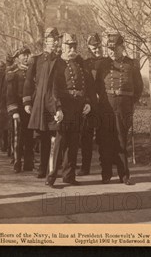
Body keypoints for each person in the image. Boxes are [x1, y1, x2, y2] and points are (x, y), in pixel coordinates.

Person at [46, 33, 95, 187]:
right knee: (58, 143)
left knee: (73, 144)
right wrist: (57, 108)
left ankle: (69, 175)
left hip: (77, 108)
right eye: (69, 46)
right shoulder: (57, 64)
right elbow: (52, 89)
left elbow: (85, 86)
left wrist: (87, 102)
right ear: (62, 47)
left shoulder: (80, 64)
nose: (72, 49)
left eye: (74, 46)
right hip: (63, 108)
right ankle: (51, 176)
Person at [95, 30, 143, 185]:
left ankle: (124, 175)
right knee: (105, 141)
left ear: (122, 47)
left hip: (123, 108)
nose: (112, 52)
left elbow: (139, 87)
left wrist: (130, 103)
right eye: (109, 49)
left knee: (122, 142)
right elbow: (97, 86)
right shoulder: (102, 64)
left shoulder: (131, 64)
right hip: (106, 107)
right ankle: (106, 174)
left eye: (115, 49)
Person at [23, 27, 61, 177]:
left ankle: (53, 169)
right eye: (52, 40)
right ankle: (42, 167)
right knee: (43, 136)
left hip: (55, 102)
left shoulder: (60, 60)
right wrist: (27, 102)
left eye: (57, 40)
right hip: (40, 102)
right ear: (46, 41)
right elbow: (28, 82)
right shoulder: (36, 59)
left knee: (55, 136)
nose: (55, 43)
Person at [78, 33, 106, 176]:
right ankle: (85, 167)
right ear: (89, 47)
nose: (96, 49)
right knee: (86, 137)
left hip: (104, 104)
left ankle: (105, 166)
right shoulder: (85, 63)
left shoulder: (107, 62)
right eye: (93, 47)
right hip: (89, 105)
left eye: (98, 46)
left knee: (104, 136)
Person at [6, 47, 34, 173]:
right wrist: (14, 111)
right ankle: (17, 162)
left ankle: (29, 163)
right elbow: (10, 94)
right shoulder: (14, 73)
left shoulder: (33, 71)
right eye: (23, 55)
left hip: (32, 108)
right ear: (18, 58)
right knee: (18, 136)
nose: (26, 57)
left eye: (27, 54)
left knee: (30, 136)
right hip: (19, 108)